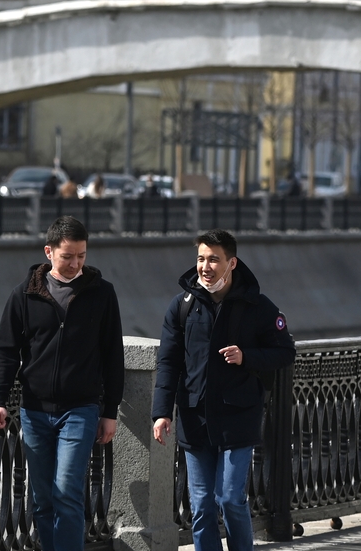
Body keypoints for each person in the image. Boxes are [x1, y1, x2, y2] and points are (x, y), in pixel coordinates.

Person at [152, 229, 295, 551]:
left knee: (230, 498)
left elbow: (285, 352)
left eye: (214, 259)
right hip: (195, 414)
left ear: (232, 263)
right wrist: (161, 413)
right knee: (201, 505)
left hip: (238, 414)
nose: (205, 266)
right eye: (201, 259)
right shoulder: (182, 306)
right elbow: (168, 363)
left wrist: (247, 357)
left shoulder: (257, 305)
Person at [0, 216, 124, 551]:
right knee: (43, 498)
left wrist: (110, 411)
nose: (75, 263)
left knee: (66, 491)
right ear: (49, 252)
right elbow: (5, 352)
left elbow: (112, 357)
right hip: (35, 410)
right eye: (68, 256)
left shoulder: (102, 294)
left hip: (80, 409)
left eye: (82, 256)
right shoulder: (23, 295)